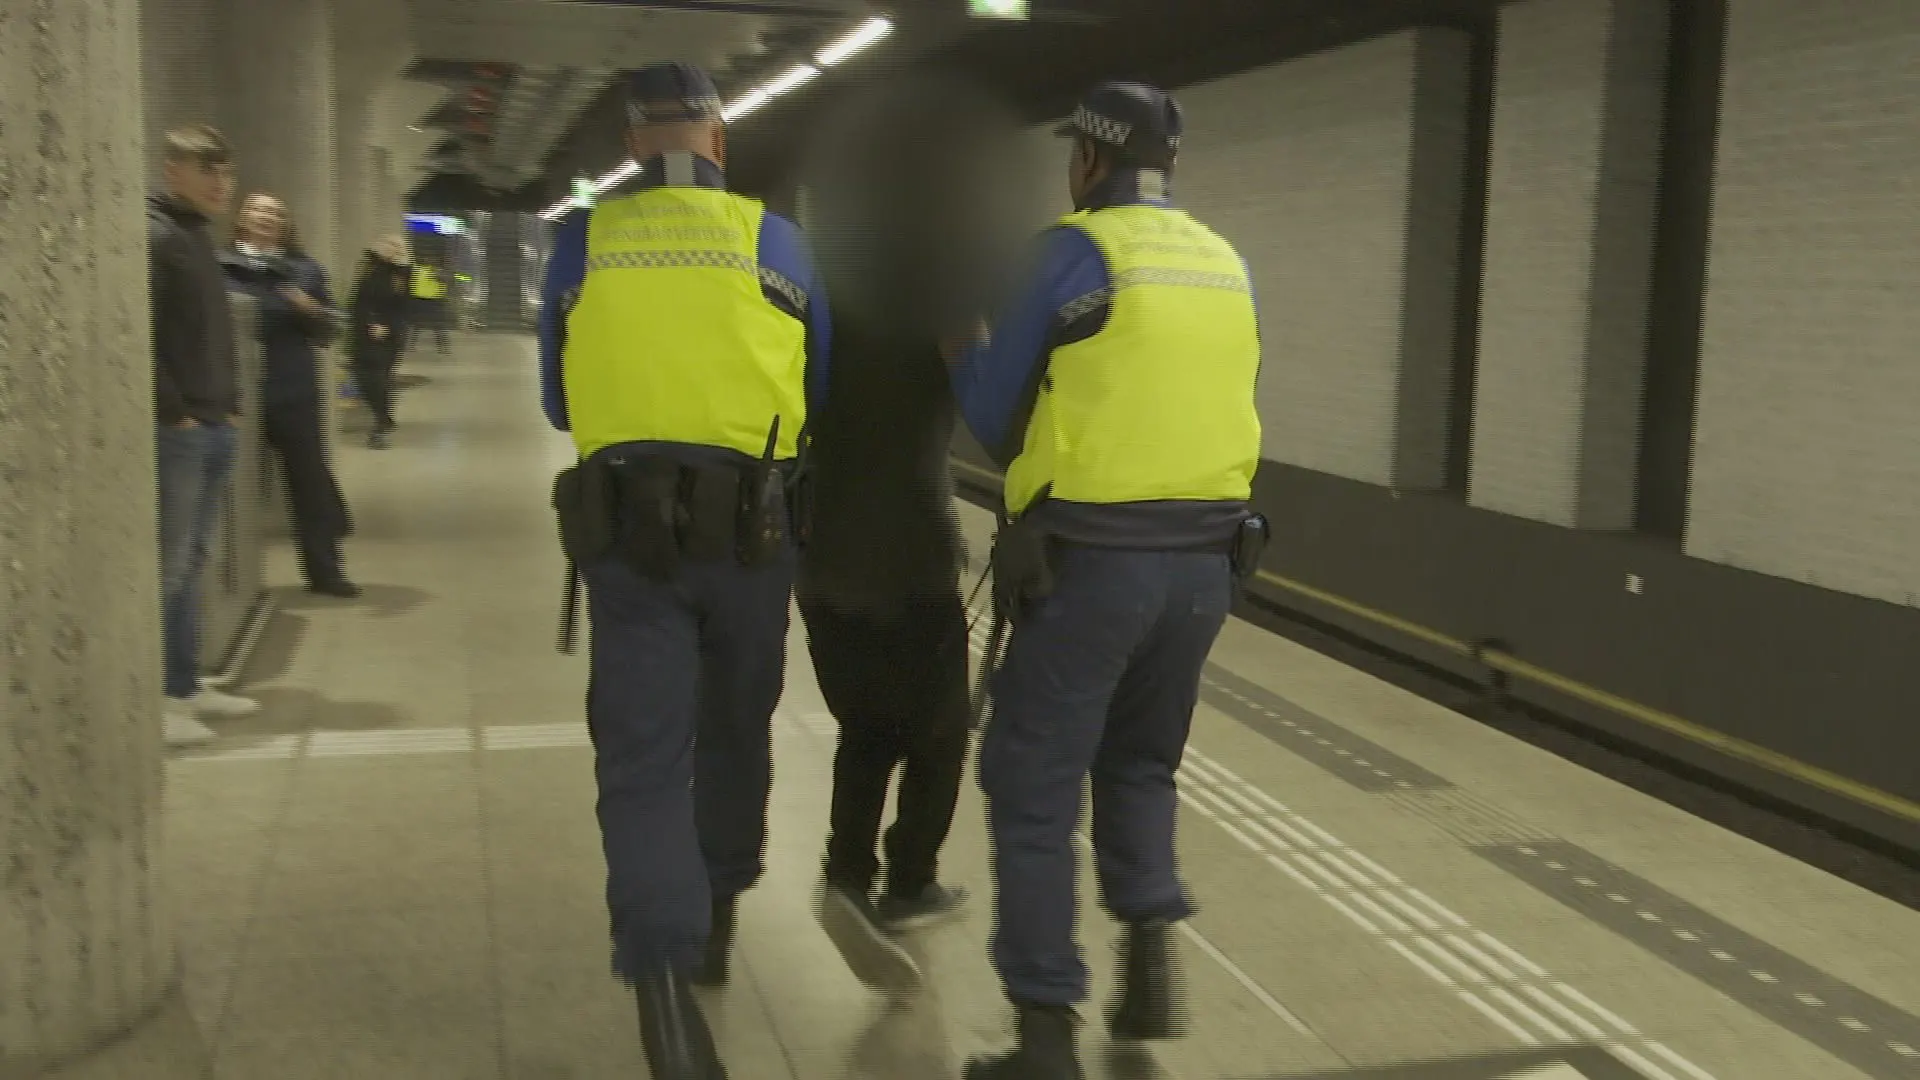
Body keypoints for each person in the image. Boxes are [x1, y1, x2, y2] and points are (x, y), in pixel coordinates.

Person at [945, 82, 1267, 1079]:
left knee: (1032, 785)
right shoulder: (1224, 261)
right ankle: (1148, 950)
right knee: (1139, 763)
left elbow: (994, 420)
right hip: (1205, 569)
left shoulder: (1071, 253)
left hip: (1091, 566)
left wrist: (961, 344)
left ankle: (1045, 1034)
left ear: (1088, 159)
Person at [537, 62, 831, 1080]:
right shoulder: (778, 240)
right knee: (736, 726)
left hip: (628, 542)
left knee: (643, 753)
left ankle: (661, 992)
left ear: (631, 145)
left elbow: (557, 403)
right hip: (753, 537)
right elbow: (817, 383)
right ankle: (718, 912)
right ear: (718, 139)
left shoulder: (580, 245)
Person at [794, 69, 1033, 994]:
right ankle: (904, 881)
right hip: (909, 552)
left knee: (867, 725)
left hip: (822, 549)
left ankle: (848, 876)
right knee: (937, 731)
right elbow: (997, 417)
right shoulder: (947, 302)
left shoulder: (817, 289)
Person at [150, 124, 263, 747]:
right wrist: (175, 409)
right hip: (183, 426)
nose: (223, 183)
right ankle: (157, 698)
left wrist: (232, 403)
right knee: (170, 563)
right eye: (209, 170)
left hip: (213, 419)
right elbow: (143, 331)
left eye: (228, 172)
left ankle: (184, 683)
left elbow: (213, 334)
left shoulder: (195, 236)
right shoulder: (159, 236)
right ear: (173, 170)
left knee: (192, 560)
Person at [220, 193, 362, 599]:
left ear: (286, 224)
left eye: (275, 212)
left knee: (309, 482)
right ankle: (235, 584)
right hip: (234, 393)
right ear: (241, 219)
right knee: (234, 486)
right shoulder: (219, 265)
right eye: (257, 210)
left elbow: (330, 332)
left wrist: (310, 309)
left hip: (293, 390)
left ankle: (325, 572)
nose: (265, 216)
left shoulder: (305, 270)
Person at [350, 234, 413, 448]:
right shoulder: (368, 268)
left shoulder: (403, 274)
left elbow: (405, 307)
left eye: (395, 246)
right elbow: (358, 300)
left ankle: (380, 426)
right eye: (387, 244)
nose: (389, 248)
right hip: (363, 332)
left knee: (378, 379)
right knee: (361, 377)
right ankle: (383, 416)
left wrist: (387, 327)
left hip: (388, 336)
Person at [409, 261, 451, 354]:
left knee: (419, 325)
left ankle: (411, 346)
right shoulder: (433, 270)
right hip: (431, 301)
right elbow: (444, 280)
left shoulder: (418, 270)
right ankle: (443, 348)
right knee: (438, 325)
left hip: (423, 300)